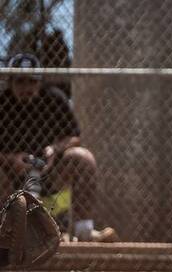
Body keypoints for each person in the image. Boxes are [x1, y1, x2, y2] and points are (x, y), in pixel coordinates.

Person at [0, 53, 117, 243]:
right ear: (10, 81)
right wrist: (10, 159)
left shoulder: (53, 98)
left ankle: (83, 231)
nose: (26, 88)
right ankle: (5, 231)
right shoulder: (2, 102)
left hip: (50, 171)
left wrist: (54, 149)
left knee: (82, 157)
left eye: (32, 82)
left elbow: (74, 136)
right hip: (10, 174)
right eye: (20, 81)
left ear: (40, 82)